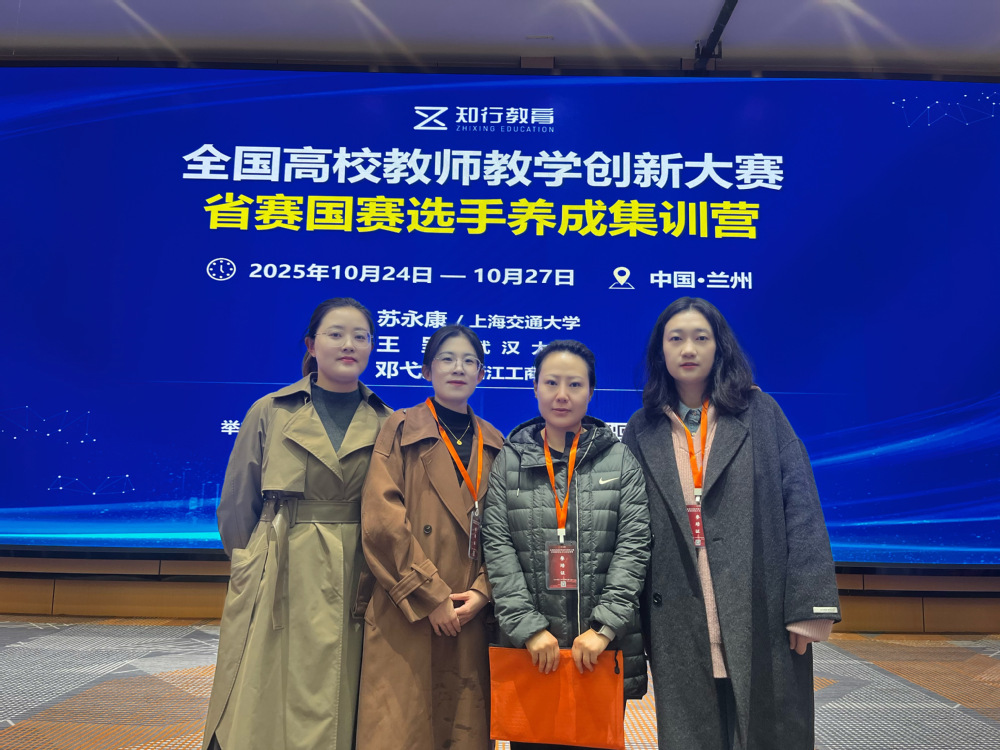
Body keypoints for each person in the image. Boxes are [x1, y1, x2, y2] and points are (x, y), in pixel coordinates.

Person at [621, 297, 841, 750]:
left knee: (768, 730)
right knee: (691, 734)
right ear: (660, 351)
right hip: (677, 611)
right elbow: (630, 529)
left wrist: (809, 606)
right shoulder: (641, 428)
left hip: (760, 603)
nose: (688, 349)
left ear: (719, 347)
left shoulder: (761, 413)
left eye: (700, 338)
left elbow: (801, 505)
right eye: (676, 339)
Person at [202, 297, 392, 750]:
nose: (349, 344)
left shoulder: (387, 421)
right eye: (336, 334)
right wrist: (255, 562)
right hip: (279, 567)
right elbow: (237, 505)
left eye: (360, 336)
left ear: (372, 347)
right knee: (265, 688)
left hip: (355, 569)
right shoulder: (270, 410)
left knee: (340, 687)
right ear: (311, 344)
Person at [482, 340, 650, 750]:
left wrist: (603, 628)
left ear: (591, 391)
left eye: (574, 384)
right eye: (551, 383)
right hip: (532, 652)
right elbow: (498, 548)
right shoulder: (509, 461)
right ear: (535, 388)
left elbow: (633, 547)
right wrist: (527, 628)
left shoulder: (620, 460)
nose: (562, 395)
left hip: (598, 651)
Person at [356, 325, 505, 750]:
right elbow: (383, 520)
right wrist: (432, 596)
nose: (458, 368)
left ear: (481, 374)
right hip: (407, 609)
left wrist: (483, 592)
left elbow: (511, 531)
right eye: (447, 359)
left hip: (468, 615)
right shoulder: (399, 429)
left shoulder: (497, 443)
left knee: (463, 730)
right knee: (403, 730)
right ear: (426, 370)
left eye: (469, 361)